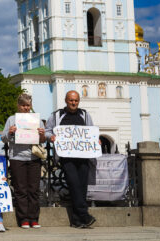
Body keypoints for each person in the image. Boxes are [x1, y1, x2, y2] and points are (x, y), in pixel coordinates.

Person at [45, 90, 97, 228]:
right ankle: (84, 214)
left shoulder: (85, 115)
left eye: (76, 101)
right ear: (66, 100)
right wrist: (51, 137)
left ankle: (77, 220)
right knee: (74, 184)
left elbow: (91, 131)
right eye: (71, 100)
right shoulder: (57, 116)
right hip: (66, 157)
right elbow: (47, 131)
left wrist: (96, 140)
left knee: (81, 187)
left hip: (84, 156)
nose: (74, 103)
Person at [1, 93, 46, 229]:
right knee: (21, 189)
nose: (26, 108)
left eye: (28, 105)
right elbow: (3, 138)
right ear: (18, 105)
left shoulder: (37, 120)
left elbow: (43, 141)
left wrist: (42, 134)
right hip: (17, 158)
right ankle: (24, 219)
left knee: (34, 189)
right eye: (23, 105)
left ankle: (34, 218)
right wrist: (10, 132)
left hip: (34, 157)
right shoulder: (11, 119)